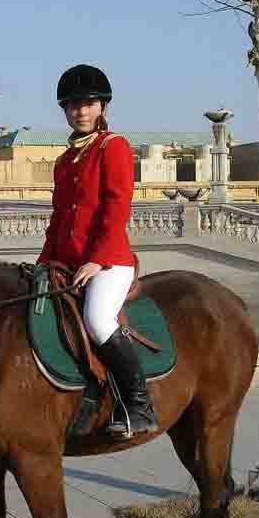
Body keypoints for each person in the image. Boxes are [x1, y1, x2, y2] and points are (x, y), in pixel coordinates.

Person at [37, 64, 158, 438]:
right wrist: (43, 265)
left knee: (98, 321)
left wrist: (96, 258)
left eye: (88, 103)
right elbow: (60, 218)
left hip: (109, 261)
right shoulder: (65, 160)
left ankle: (139, 406)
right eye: (73, 105)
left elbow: (116, 207)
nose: (81, 111)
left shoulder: (113, 147)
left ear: (102, 106)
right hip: (68, 263)